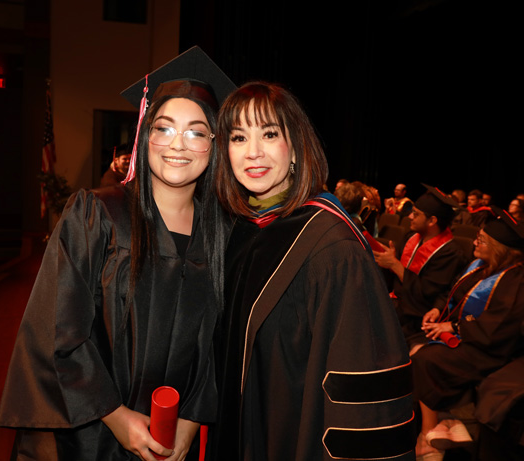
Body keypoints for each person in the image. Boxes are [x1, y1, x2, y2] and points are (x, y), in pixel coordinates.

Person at [0, 46, 236, 461]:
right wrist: (115, 415)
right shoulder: (97, 213)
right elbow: (58, 325)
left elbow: (225, 342)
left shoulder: (227, 235)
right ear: (145, 135)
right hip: (89, 431)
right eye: (164, 128)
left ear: (214, 145)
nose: (178, 144)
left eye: (197, 131)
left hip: (173, 436)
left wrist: (192, 419)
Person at [209, 81, 415, 461]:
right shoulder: (241, 229)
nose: (253, 152)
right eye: (238, 137)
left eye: (269, 134)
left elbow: (362, 379)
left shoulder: (333, 248)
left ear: (295, 148)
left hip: (290, 439)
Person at [411, 209, 524, 460]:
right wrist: (437, 309)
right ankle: (445, 422)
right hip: (473, 339)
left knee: (424, 358)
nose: (474, 242)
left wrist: (454, 328)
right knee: (416, 349)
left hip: (492, 350)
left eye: (481, 240)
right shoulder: (479, 267)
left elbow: (498, 329)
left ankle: (429, 437)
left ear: (498, 248)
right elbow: (453, 291)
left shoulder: (515, 280)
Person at [373, 185, 470, 354]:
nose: (410, 216)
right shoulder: (411, 237)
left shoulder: (450, 253)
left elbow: (428, 293)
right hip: (398, 303)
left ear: (432, 221)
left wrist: (395, 265)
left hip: (418, 315)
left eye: (416, 214)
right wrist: (386, 261)